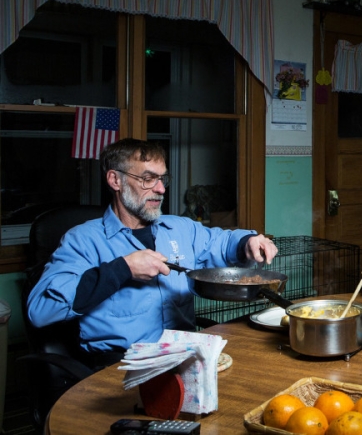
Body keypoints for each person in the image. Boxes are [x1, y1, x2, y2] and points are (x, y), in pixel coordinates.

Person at [27, 138, 278, 369]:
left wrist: (248, 241)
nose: (161, 189)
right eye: (148, 179)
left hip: (183, 356)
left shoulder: (179, 228)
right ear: (115, 180)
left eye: (162, 179)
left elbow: (222, 241)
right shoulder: (83, 240)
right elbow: (41, 311)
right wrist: (122, 269)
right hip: (121, 364)